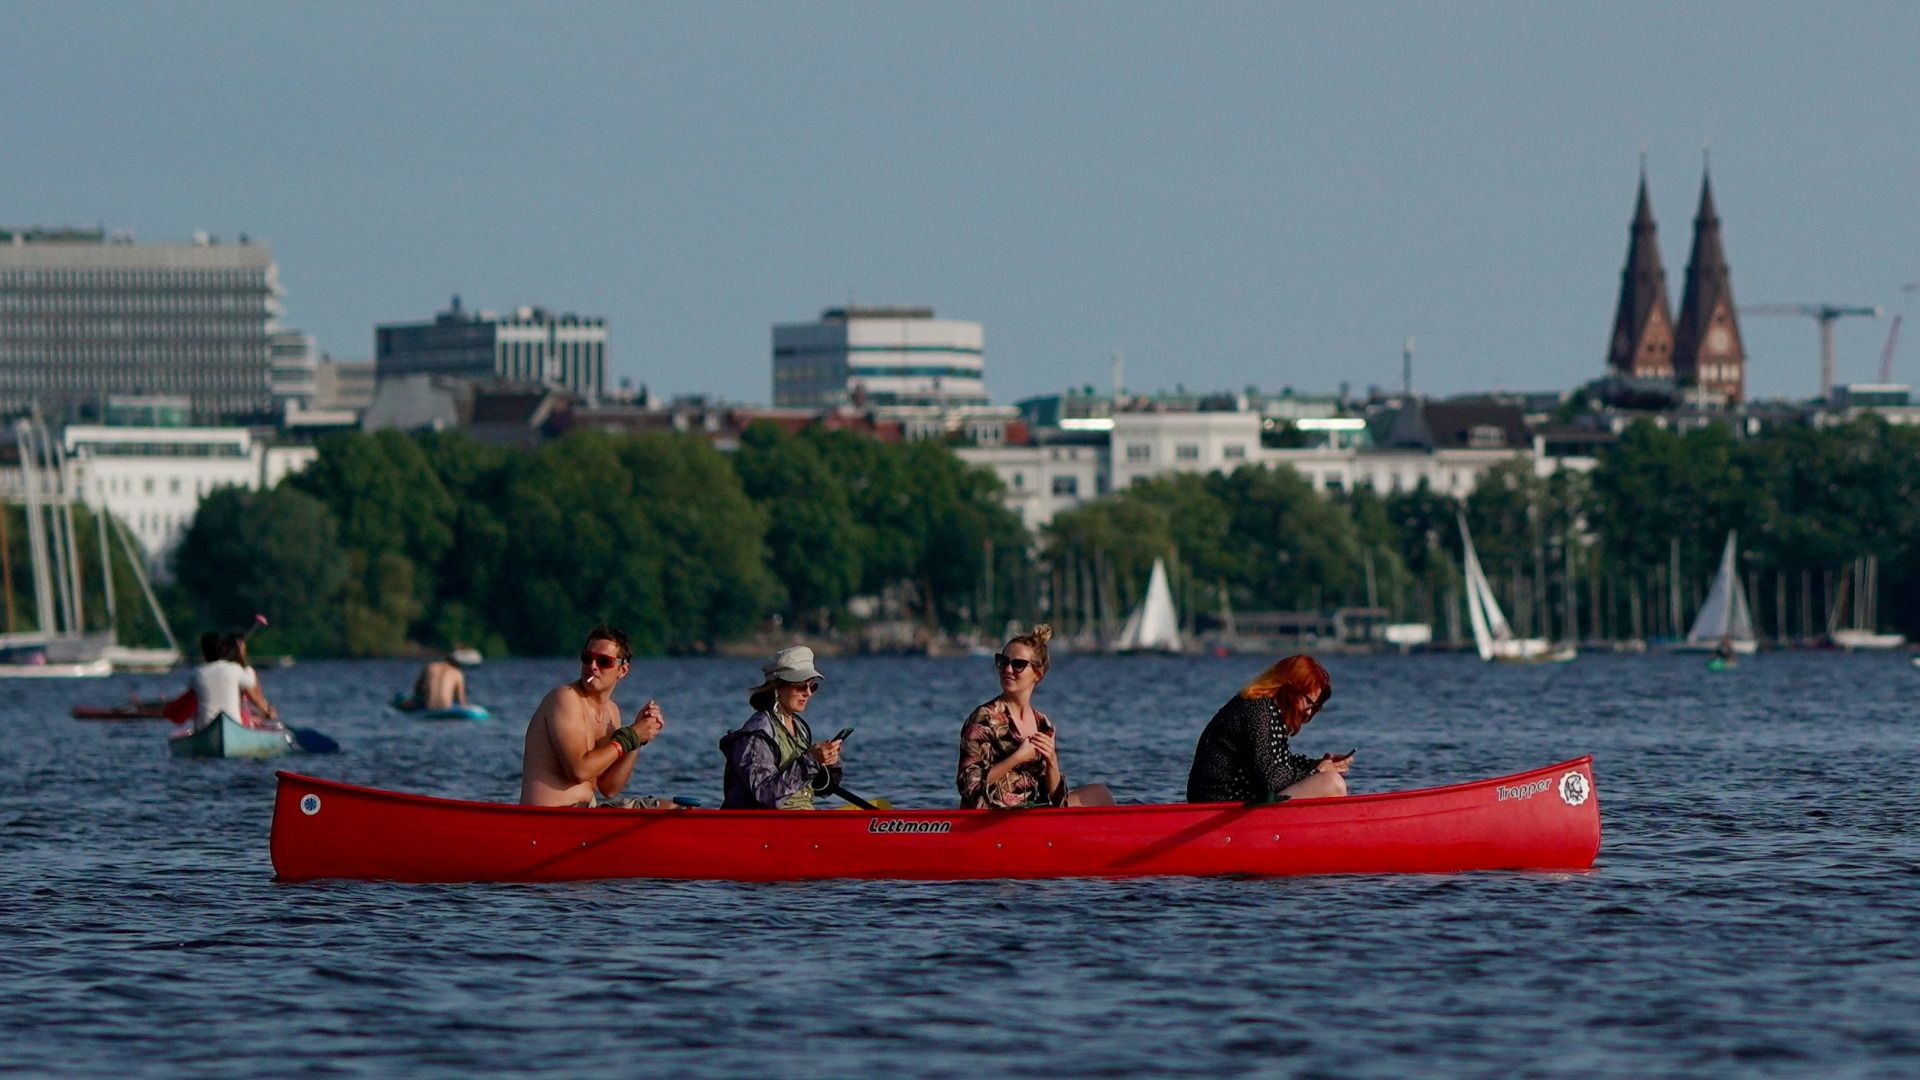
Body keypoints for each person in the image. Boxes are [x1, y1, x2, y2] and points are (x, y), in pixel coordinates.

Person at [956, 624, 1113, 809]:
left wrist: (1052, 761)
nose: (1007, 669)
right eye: (1003, 661)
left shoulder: (1043, 724)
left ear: (1038, 674)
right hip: (992, 816)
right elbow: (969, 788)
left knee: (1100, 794)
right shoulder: (983, 719)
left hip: (1033, 812)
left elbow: (1057, 800)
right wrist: (1017, 758)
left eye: (1018, 664)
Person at [519, 625, 669, 807]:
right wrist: (631, 736)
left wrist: (637, 740)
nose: (592, 667)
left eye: (604, 661)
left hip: (588, 816)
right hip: (551, 818)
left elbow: (609, 788)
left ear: (622, 670)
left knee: (673, 808)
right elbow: (579, 771)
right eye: (587, 658)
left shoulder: (612, 711)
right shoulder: (565, 698)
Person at [1185, 654, 1352, 803]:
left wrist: (1315, 764)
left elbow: (1276, 764)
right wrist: (1318, 771)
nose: (1309, 711)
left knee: (1328, 781)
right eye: (1308, 702)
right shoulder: (1259, 711)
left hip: (1228, 802)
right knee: (1332, 784)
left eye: (1315, 707)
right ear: (1289, 689)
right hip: (1219, 806)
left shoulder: (1263, 708)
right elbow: (1274, 780)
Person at [719, 646, 844, 809]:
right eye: (801, 686)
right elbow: (765, 794)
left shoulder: (800, 728)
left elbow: (818, 788)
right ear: (777, 688)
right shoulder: (757, 735)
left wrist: (828, 763)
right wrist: (811, 761)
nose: (808, 693)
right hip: (764, 826)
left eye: (812, 686)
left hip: (802, 820)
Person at [188, 631, 277, 731]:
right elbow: (255, 697)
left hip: (206, 727)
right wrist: (267, 712)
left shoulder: (197, 673)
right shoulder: (236, 670)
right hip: (237, 724)